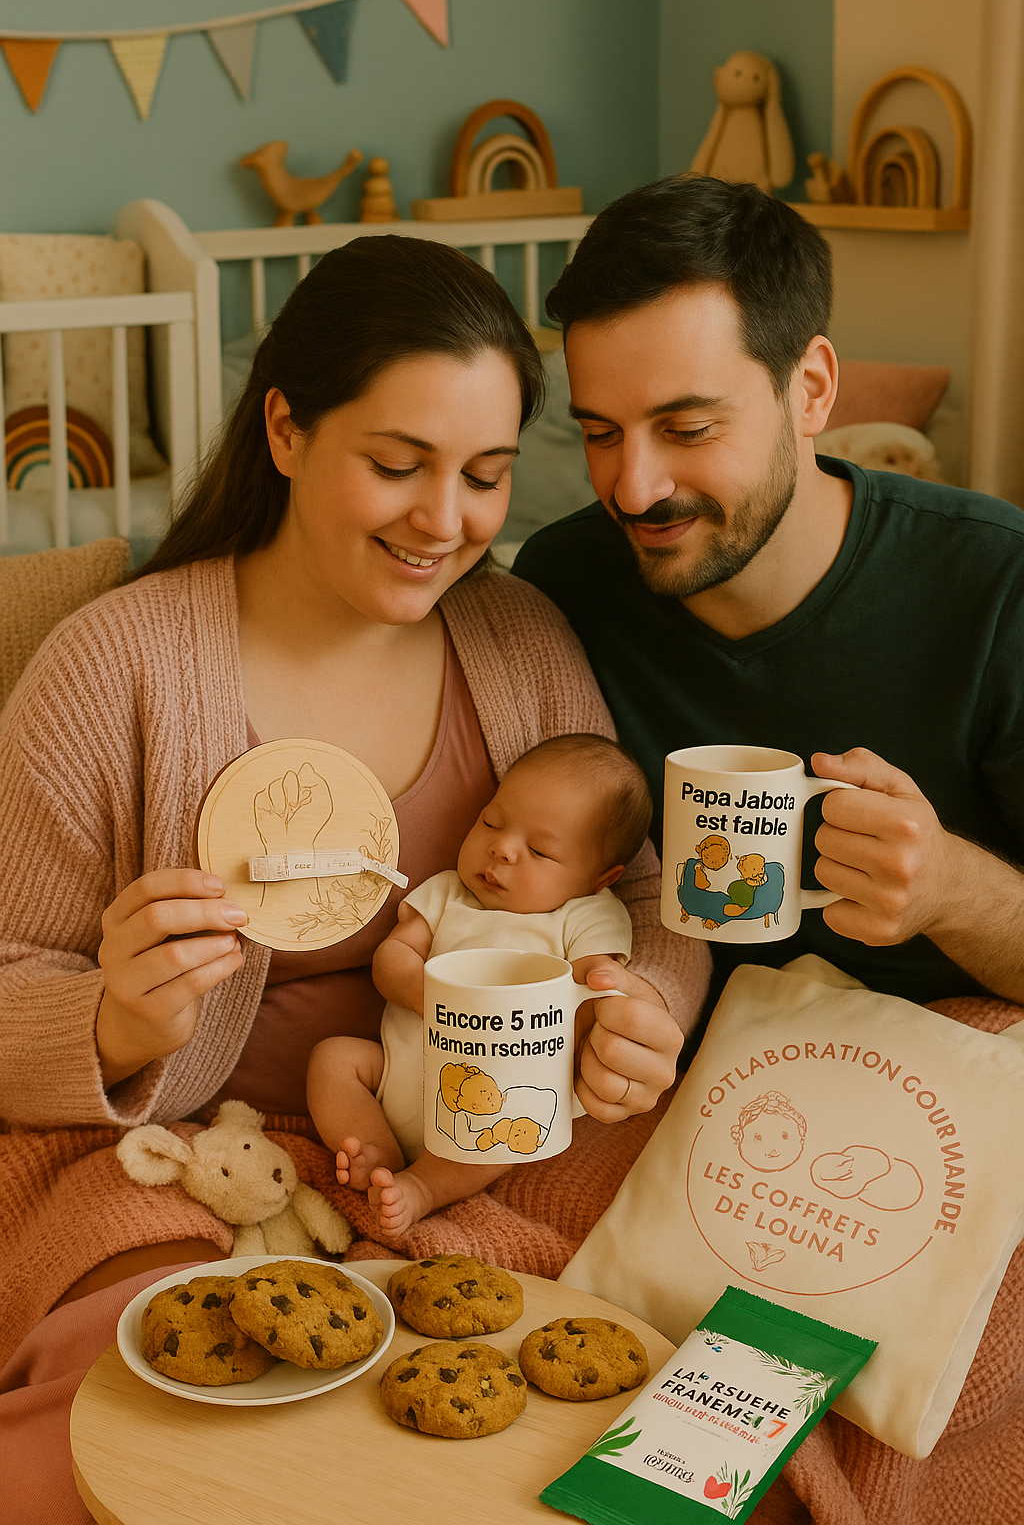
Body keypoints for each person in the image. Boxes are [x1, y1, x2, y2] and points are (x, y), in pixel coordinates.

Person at [0, 234, 709, 1523]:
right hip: (194, 1152)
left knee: (679, 1393)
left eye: (487, 477)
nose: (446, 523)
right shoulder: (114, 668)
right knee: (132, 1439)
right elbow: (7, 980)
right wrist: (108, 1022)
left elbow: (647, 897)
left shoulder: (517, 636)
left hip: (489, 1134)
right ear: (283, 428)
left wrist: (641, 1006)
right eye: (397, 465)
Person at [513, 173, 1024, 1011]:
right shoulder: (561, 584)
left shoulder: (997, 583)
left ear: (813, 389)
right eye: (601, 433)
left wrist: (954, 888)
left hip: (941, 1062)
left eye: (688, 429)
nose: (634, 489)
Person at [307, 732, 651, 1238]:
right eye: (491, 821)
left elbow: (594, 989)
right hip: (395, 1073)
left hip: (497, 1097)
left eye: (539, 850)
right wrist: (437, 1000)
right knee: (333, 1058)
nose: (502, 848)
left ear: (600, 877)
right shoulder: (449, 892)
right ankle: (374, 1148)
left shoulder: (585, 916)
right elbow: (393, 958)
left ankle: (422, 1187)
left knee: (508, 1139)